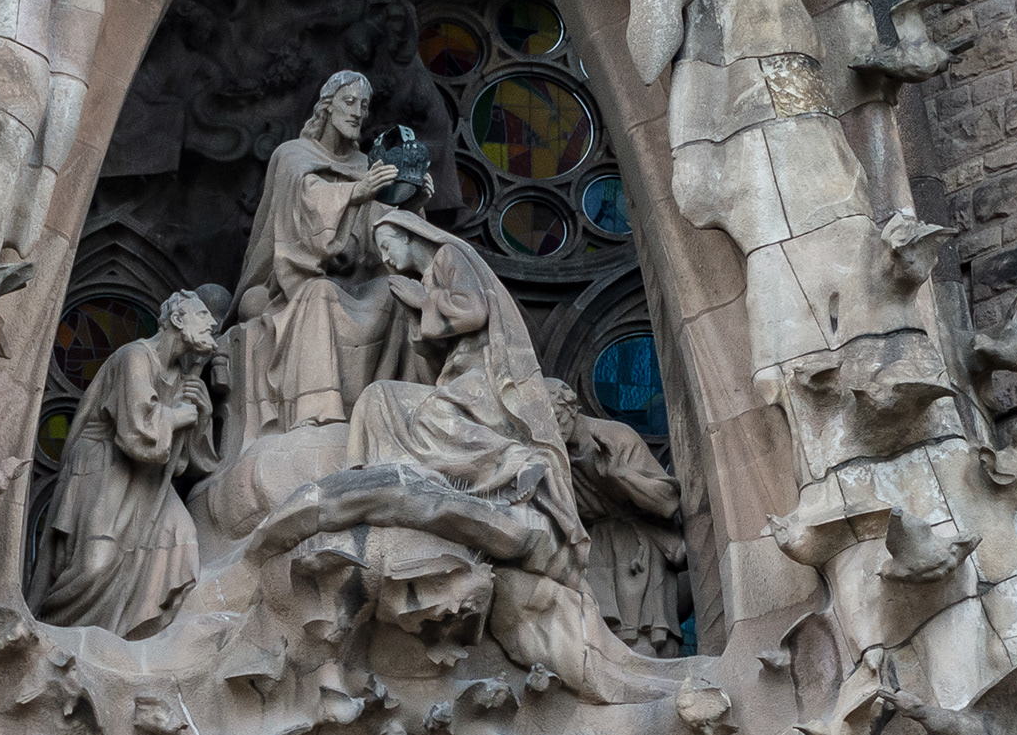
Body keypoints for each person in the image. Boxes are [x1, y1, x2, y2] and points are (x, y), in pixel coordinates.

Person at [345, 211, 585, 554]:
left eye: (387, 246)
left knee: (430, 414)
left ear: (409, 235)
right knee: (378, 396)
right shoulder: (429, 277)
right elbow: (435, 347)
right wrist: (418, 312)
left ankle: (519, 461)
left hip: (487, 374)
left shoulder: (448, 255)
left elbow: (474, 312)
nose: (385, 258)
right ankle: (381, 480)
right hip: (458, 376)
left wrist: (423, 301)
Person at [231, 71, 430, 434]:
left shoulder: (366, 166)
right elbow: (302, 209)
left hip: (356, 280)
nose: (357, 112)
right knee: (319, 293)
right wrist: (356, 192)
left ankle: (388, 418)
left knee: (398, 293)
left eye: (364, 106)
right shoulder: (293, 155)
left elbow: (384, 235)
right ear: (327, 106)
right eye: (348, 102)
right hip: (299, 280)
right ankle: (320, 412)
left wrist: (411, 201)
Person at [29, 291, 220, 638]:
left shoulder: (182, 376)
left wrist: (201, 414)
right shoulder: (135, 356)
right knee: (96, 566)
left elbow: (187, 463)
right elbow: (135, 431)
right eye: (203, 315)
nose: (213, 324)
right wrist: (179, 415)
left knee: (182, 542)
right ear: (178, 320)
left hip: (148, 477)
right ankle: (55, 639)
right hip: (104, 465)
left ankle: (134, 644)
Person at [546, 379, 690, 656]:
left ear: (571, 408)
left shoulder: (616, 437)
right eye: (544, 421)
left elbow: (667, 502)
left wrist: (619, 475)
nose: (552, 426)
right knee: (599, 648)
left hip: (637, 549)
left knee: (645, 646)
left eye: (556, 415)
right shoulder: (552, 456)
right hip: (592, 552)